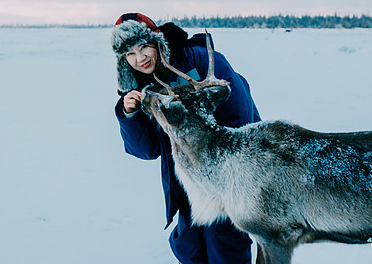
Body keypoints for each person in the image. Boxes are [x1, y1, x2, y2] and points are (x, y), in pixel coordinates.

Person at [111, 13, 261, 263]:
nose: (140, 59)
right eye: (129, 54)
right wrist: (130, 115)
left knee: (225, 245)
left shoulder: (200, 60)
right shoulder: (142, 87)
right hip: (187, 180)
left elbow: (240, 114)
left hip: (228, 178)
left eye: (143, 47)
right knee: (189, 248)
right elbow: (148, 150)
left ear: (156, 40)